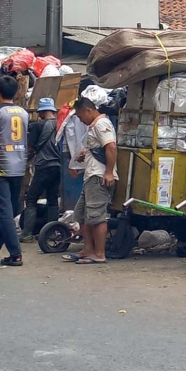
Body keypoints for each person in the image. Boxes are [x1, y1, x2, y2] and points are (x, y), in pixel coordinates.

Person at [64, 97, 117, 264]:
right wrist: (85, 154)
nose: (81, 120)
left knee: (97, 216)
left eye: (80, 116)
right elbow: (99, 147)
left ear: (89, 110)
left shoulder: (102, 124)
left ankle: (99, 254)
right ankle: (87, 250)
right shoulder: (94, 126)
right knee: (82, 215)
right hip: (90, 176)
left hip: (99, 177)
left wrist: (108, 172)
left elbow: (111, 147)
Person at [20, 97, 61, 242]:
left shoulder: (38, 126)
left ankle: (27, 234)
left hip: (43, 166)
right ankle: (52, 233)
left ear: (41, 112)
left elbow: (31, 147)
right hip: (58, 166)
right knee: (52, 200)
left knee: (31, 199)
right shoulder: (60, 124)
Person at [0, 75, 28, 266]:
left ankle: (16, 253)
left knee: (4, 213)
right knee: (6, 212)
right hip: (19, 166)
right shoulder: (23, 113)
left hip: (2, 168)